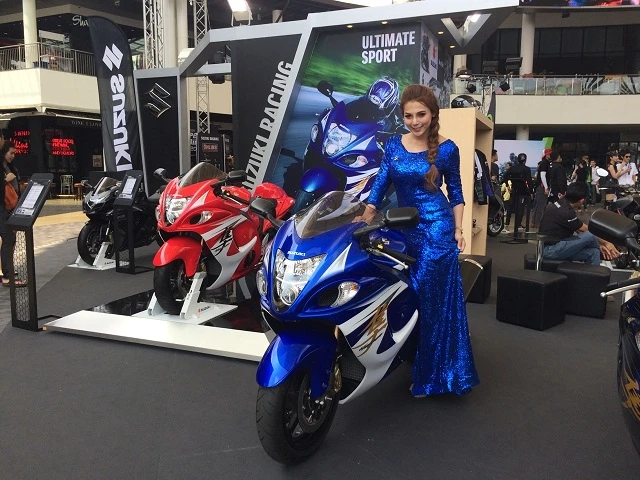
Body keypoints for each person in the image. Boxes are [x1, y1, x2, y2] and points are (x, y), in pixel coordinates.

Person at [357, 84, 478, 397]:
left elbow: (457, 193)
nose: (414, 121)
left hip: (437, 230)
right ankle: (413, 354)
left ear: (433, 114)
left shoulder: (447, 149)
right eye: (408, 115)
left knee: (431, 300)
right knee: (407, 294)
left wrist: (458, 230)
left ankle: (435, 375)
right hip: (403, 230)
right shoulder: (394, 144)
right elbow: (381, 182)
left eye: (421, 114)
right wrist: (366, 215)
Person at [539, 183, 619, 265]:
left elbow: (578, 229)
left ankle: (595, 272)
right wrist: (606, 243)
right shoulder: (566, 212)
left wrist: (599, 245)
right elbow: (587, 230)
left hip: (556, 246)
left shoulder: (562, 203)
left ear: (566, 193)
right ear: (582, 200)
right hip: (549, 250)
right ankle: (607, 253)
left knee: (594, 252)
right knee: (590, 235)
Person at [1, 140, 25, 287]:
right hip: (2, 208)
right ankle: (7, 275)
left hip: (11, 207)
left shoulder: (10, 167)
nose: (13, 155)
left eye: (15, 153)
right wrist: (5, 180)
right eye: (11, 153)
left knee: (10, 238)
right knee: (8, 238)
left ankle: (8, 270)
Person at [502, 152, 534, 230]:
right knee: (521, 208)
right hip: (523, 191)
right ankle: (518, 224)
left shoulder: (512, 168)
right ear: (525, 160)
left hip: (514, 189)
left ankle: (507, 222)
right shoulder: (527, 169)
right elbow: (529, 181)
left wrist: (508, 185)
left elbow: (505, 176)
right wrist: (531, 192)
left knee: (510, 206)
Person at [531, 149, 552, 228]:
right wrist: (546, 187)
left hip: (540, 186)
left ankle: (534, 222)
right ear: (547, 155)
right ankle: (537, 223)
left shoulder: (543, 163)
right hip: (542, 187)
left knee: (538, 204)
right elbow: (543, 175)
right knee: (541, 205)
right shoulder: (545, 163)